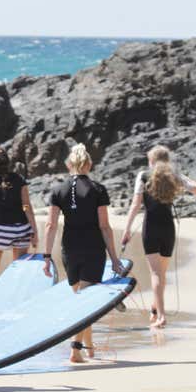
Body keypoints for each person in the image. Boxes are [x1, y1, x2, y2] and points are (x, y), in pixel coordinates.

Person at [43, 143, 123, 363]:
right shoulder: (98, 189)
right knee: (85, 302)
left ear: (69, 164)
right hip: (93, 249)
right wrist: (114, 259)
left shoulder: (58, 190)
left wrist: (46, 257)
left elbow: (50, 226)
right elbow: (105, 227)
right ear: (89, 164)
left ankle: (89, 348)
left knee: (80, 299)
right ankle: (75, 349)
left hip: (69, 249)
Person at [121, 145, 196, 328]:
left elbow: (135, 205)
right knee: (161, 273)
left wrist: (126, 230)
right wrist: (183, 183)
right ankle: (155, 308)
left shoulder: (143, 176)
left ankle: (161, 316)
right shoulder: (174, 176)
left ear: (150, 160)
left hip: (151, 228)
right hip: (168, 228)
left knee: (156, 273)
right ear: (167, 160)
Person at [0, 147, 38, 309]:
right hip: (21, 230)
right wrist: (34, 231)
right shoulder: (19, 179)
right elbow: (27, 206)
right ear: (8, 162)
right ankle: (15, 305)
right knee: (17, 271)